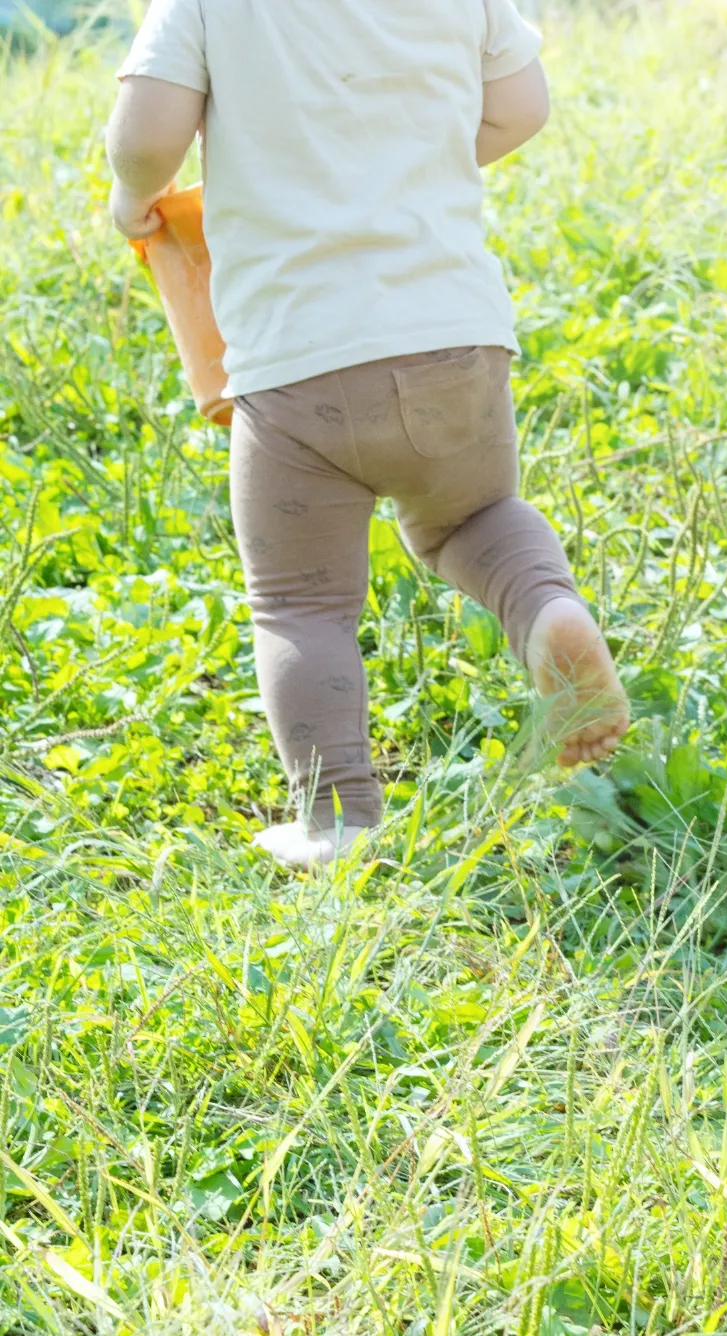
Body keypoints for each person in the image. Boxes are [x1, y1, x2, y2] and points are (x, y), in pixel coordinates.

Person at [107, 0, 630, 870]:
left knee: (302, 603)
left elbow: (150, 132)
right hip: (457, 340)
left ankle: (339, 822)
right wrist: (404, 163)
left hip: (297, 365)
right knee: (476, 520)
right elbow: (520, 106)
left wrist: (134, 195)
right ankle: (549, 613)